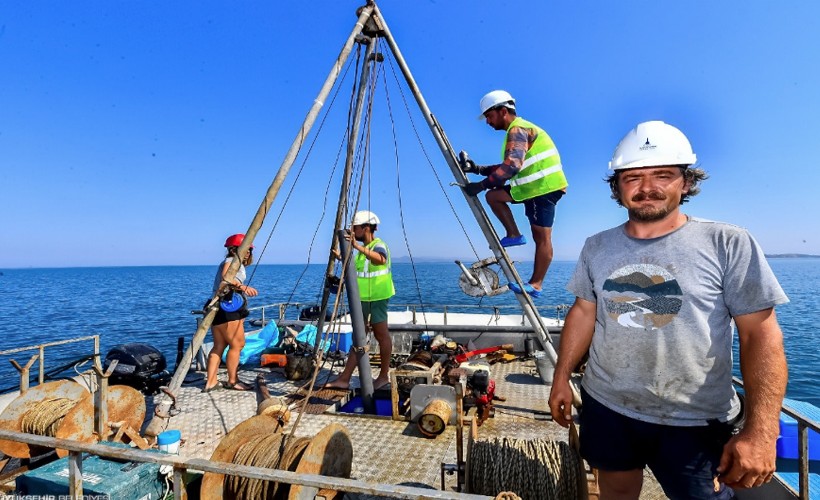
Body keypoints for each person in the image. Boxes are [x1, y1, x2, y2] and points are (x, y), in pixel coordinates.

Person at [548, 121, 789, 499]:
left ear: (687, 182)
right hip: (607, 403)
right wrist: (561, 376)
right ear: (617, 187)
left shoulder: (728, 242)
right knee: (615, 489)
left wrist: (761, 431)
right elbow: (583, 312)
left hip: (695, 418)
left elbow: (760, 334)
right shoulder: (596, 247)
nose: (647, 188)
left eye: (663, 175)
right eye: (633, 178)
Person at [461, 90, 568, 298]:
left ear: (502, 111)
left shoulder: (517, 129)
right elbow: (507, 165)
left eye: (489, 116)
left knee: (542, 237)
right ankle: (513, 235)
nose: (488, 122)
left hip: (543, 188)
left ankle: (536, 284)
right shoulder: (518, 130)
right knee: (494, 196)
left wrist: (481, 185)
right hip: (530, 188)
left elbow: (510, 167)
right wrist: (477, 169)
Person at [324, 210, 396, 391]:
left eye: (355, 227)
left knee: (381, 335)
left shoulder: (378, 245)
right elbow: (358, 271)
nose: (352, 231)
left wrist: (356, 246)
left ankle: (383, 376)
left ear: (365, 228)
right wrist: (341, 256)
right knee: (359, 337)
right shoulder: (362, 252)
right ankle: (344, 378)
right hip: (361, 300)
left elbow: (380, 259)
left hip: (377, 299)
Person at [203, 233, 259, 392]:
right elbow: (226, 278)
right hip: (228, 309)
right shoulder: (231, 261)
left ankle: (211, 382)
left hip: (217, 307)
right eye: (245, 249)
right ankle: (233, 381)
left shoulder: (231, 262)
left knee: (219, 345)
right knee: (237, 344)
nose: (248, 252)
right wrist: (243, 287)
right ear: (234, 249)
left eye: (249, 250)